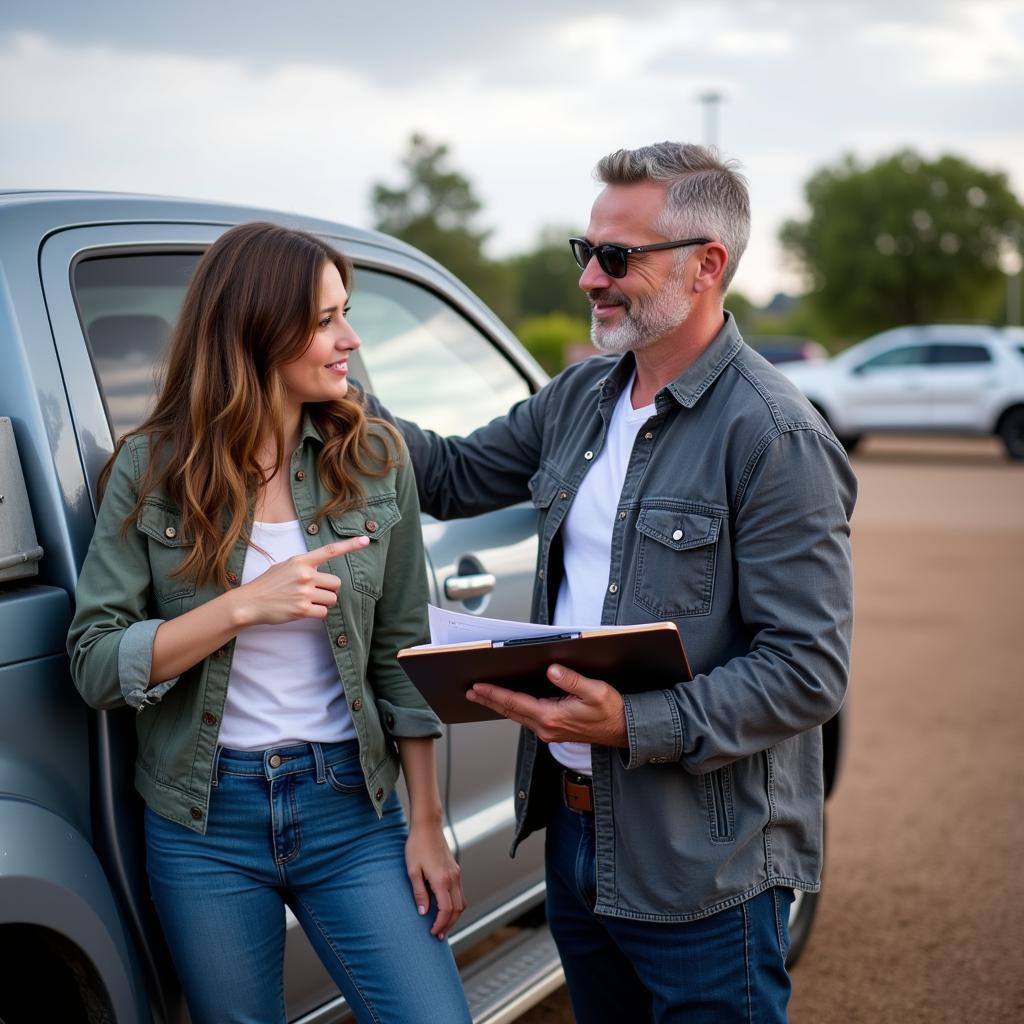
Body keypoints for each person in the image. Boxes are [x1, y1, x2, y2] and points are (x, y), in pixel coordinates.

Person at [370, 142, 857, 1023]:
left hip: (706, 857)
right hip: (579, 826)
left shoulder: (775, 436)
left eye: (618, 257)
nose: (591, 277)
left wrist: (632, 720)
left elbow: (808, 670)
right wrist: (330, 383)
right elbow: (442, 475)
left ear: (708, 266)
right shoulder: (582, 396)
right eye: (584, 252)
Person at [67, 223, 471, 1024]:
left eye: (343, 313)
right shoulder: (150, 472)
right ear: (255, 328)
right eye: (325, 320)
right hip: (202, 821)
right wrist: (241, 607)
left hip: (352, 809)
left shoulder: (376, 459)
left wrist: (425, 825)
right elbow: (94, 662)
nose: (349, 338)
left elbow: (402, 653)